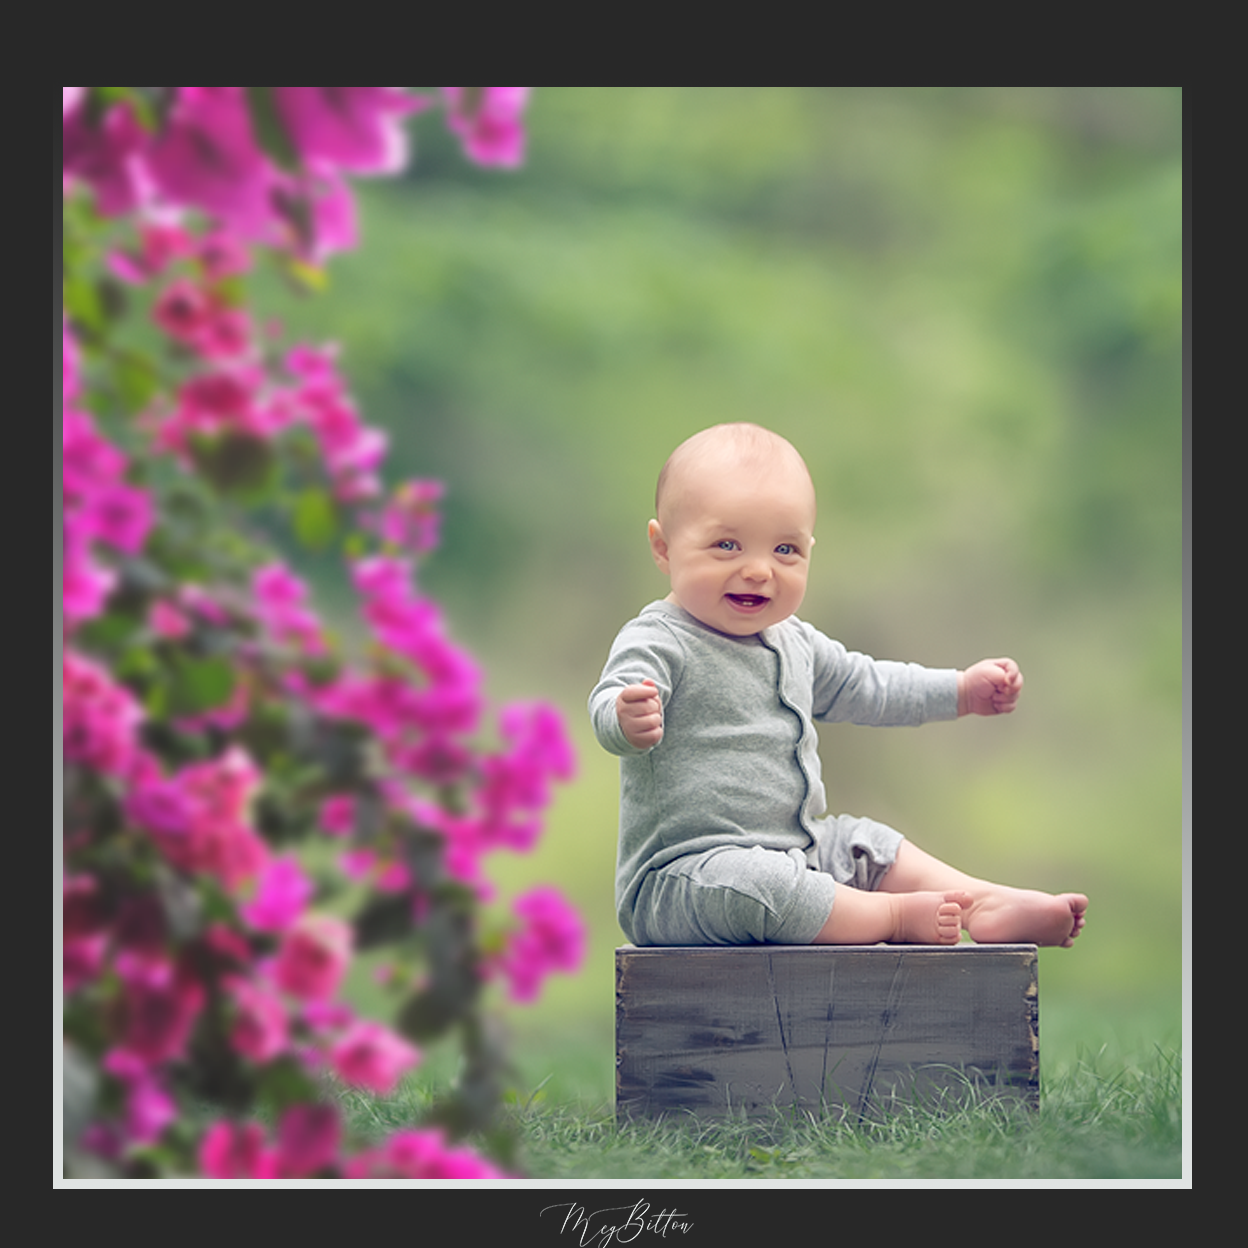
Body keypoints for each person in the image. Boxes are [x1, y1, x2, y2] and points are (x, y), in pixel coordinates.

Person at [589, 422, 1087, 949]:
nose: (759, 570)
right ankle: (892, 917)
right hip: (686, 879)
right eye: (727, 545)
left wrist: (960, 691)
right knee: (766, 886)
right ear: (664, 548)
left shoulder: (794, 643)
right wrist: (623, 717)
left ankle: (979, 899)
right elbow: (607, 700)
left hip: (797, 852)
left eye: (785, 550)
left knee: (863, 841)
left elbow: (867, 684)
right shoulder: (661, 638)